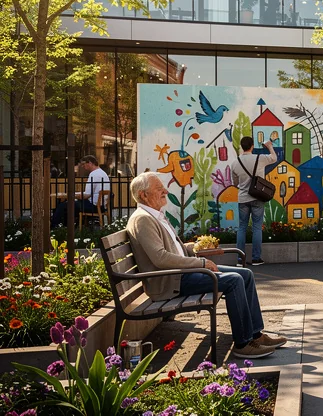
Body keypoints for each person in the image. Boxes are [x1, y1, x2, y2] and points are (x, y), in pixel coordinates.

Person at [125, 172, 286, 359]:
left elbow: (173, 250)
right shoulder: (143, 219)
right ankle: (242, 344)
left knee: (245, 274)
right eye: (159, 189)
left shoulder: (154, 215)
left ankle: (255, 335)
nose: (165, 191)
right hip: (170, 282)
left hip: (181, 273)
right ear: (144, 195)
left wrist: (196, 247)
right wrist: (200, 262)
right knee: (233, 281)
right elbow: (160, 258)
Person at [230, 137, 278, 266]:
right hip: (258, 197)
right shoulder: (260, 158)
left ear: (241, 146)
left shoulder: (235, 163)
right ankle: (256, 258)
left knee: (242, 228)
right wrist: (269, 146)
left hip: (243, 199)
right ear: (252, 146)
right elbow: (274, 158)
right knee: (257, 227)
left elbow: (235, 183)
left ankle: (240, 260)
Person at [51, 155, 110, 228]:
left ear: (90, 163)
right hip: (101, 206)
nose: (82, 166)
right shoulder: (102, 173)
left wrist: (71, 195)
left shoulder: (94, 174)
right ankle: (74, 226)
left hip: (92, 206)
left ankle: (54, 227)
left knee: (62, 206)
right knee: (71, 205)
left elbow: (86, 195)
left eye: (84, 164)